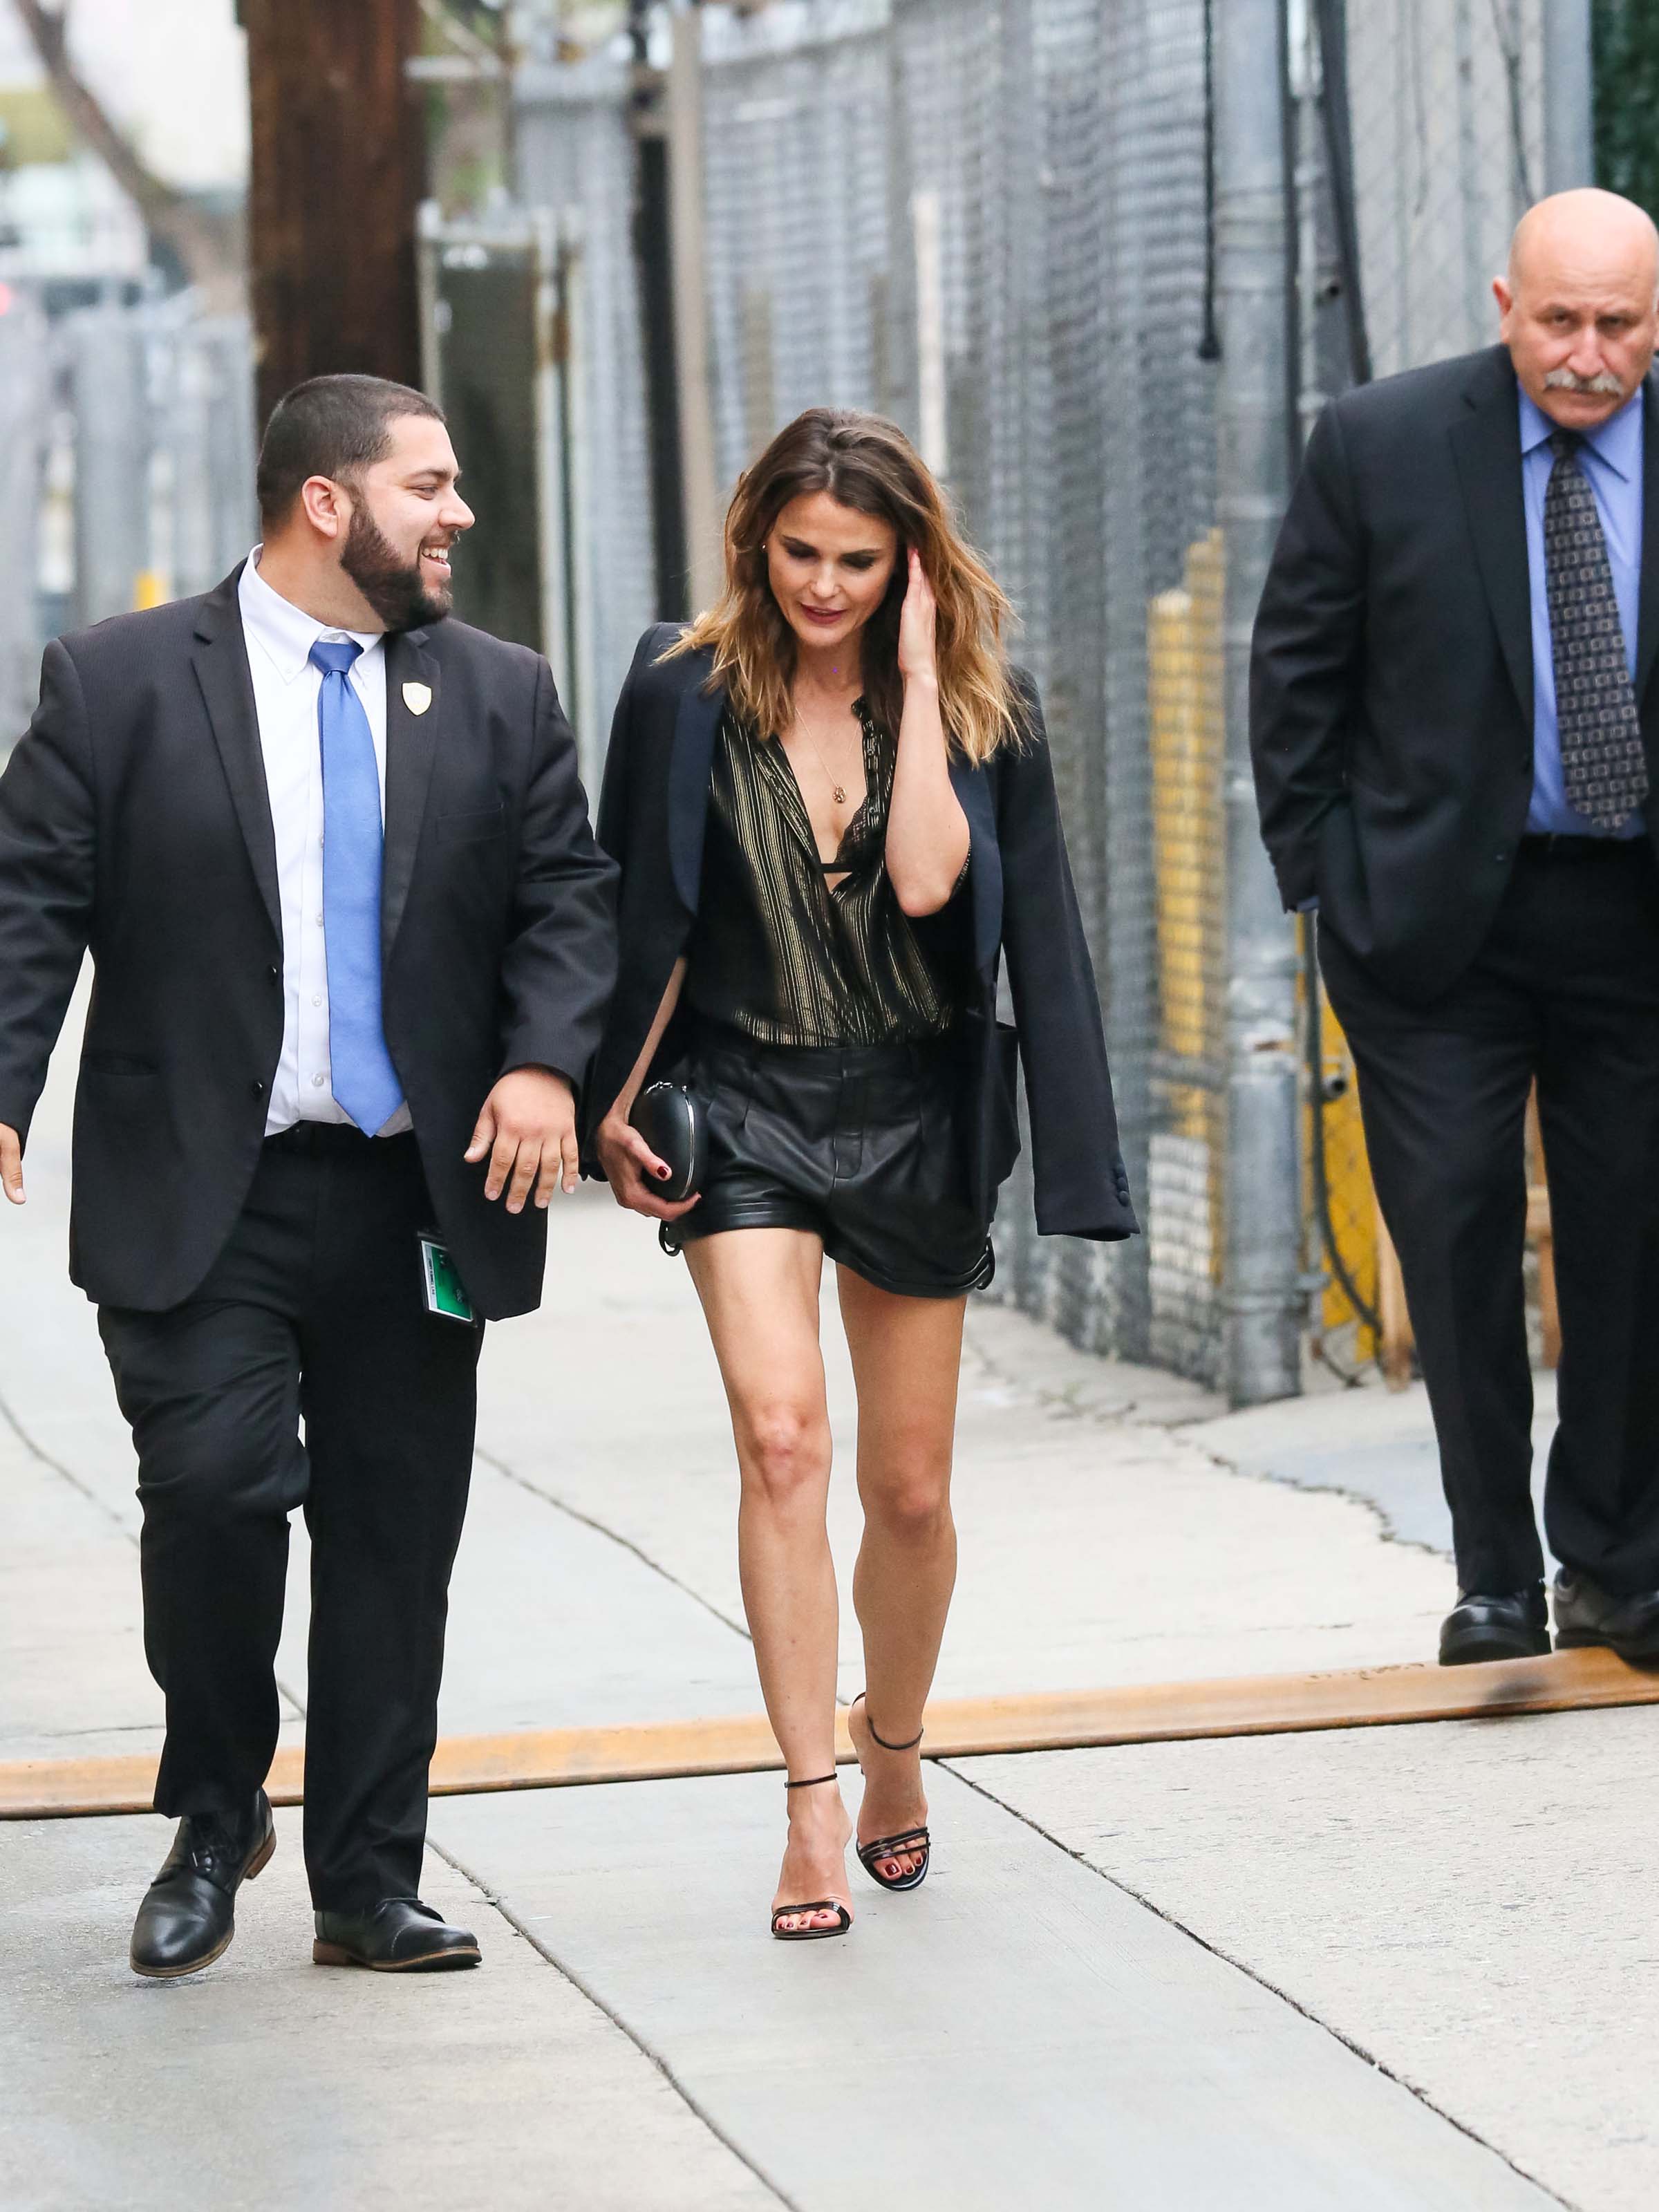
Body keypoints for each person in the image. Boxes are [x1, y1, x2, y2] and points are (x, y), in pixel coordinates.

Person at [0, 375, 617, 1977]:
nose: (459, 514)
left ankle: (365, 1877)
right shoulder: (119, 682)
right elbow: (28, 910)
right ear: (326, 502)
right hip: (207, 1185)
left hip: (418, 1190)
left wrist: (548, 1060)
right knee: (210, 1492)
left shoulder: (499, 693)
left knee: (393, 1534)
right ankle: (215, 1812)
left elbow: (568, 895)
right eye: (431, 485)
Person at [590, 408, 1135, 1938]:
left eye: (858, 561)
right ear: (755, 542)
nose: (822, 585)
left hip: (911, 1105)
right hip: (741, 1100)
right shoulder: (679, 691)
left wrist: (911, 679)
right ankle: (811, 1806)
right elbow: (644, 910)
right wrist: (606, 1107)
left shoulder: (975, 703)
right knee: (782, 1442)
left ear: (911, 563)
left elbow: (922, 883)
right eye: (799, 554)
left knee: (908, 1491)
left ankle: (895, 1748)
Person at [1251, 187, 1659, 1667]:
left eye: (1619, 324)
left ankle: (1616, 1559)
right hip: (1434, 929)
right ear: (1505, 305)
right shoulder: (1382, 442)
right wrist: (1326, 882)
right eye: (1559, 319)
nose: (1587, 354)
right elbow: (1296, 674)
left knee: (1631, 1242)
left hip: (1631, 913)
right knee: (1462, 1230)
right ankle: (1497, 1574)